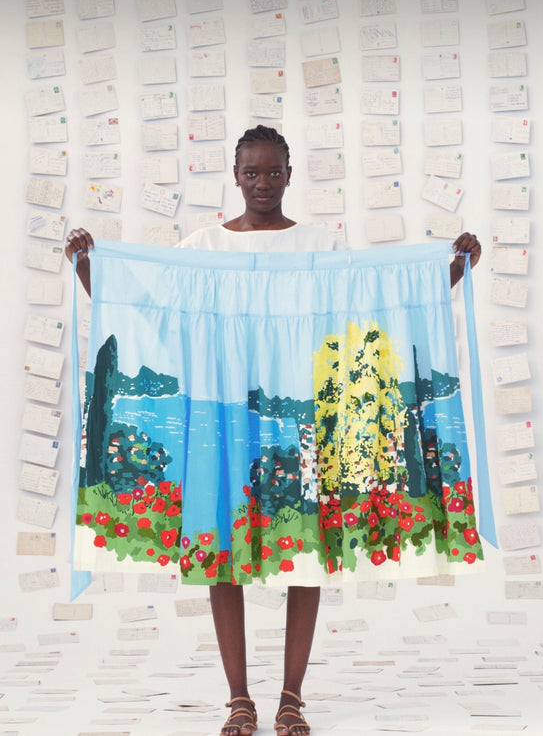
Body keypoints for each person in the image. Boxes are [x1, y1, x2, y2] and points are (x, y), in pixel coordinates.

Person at [66, 125, 481, 736]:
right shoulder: (204, 246)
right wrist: (86, 267)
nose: (263, 183)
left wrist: (452, 271)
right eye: (252, 172)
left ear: (290, 174)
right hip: (224, 407)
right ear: (235, 176)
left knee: (307, 551)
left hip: (302, 410)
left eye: (274, 171)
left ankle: (292, 697)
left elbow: (377, 307)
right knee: (220, 550)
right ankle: (239, 698)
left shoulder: (320, 245)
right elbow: (146, 312)